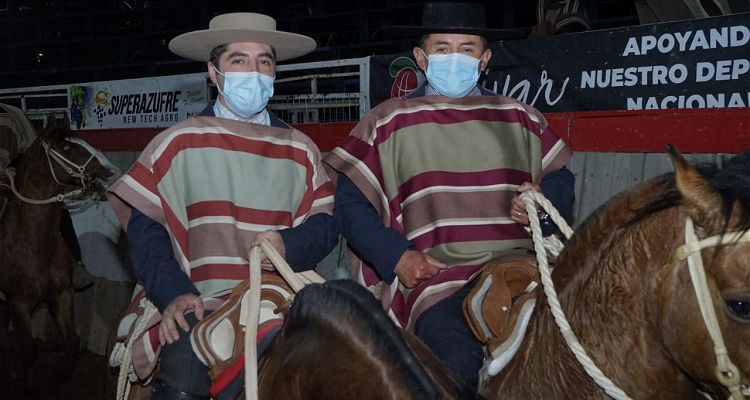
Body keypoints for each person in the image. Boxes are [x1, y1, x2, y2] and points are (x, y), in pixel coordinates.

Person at [324, 2, 575, 391]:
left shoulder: (520, 116)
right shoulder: (387, 119)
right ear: (421, 58)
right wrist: (397, 257)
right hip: (437, 277)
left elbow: (560, 179)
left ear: (485, 58)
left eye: (467, 48)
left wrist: (541, 204)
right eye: (442, 49)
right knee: (453, 365)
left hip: (522, 267)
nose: (454, 58)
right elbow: (351, 205)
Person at [106, 12, 338, 400]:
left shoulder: (301, 148)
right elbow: (146, 230)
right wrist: (174, 292)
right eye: (239, 60)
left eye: (264, 61)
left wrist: (288, 245)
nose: (254, 70)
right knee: (184, 373)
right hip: (199, 294)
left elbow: (325, 225)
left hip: (282, 294)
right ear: (213, 73)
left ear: (275, 72)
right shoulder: (176, 142)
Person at [0, 103, 95, 291]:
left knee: (55, 206)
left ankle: (76, 264)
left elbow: (30, 153)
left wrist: (11, 172)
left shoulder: (14, 116)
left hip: (13, 181)